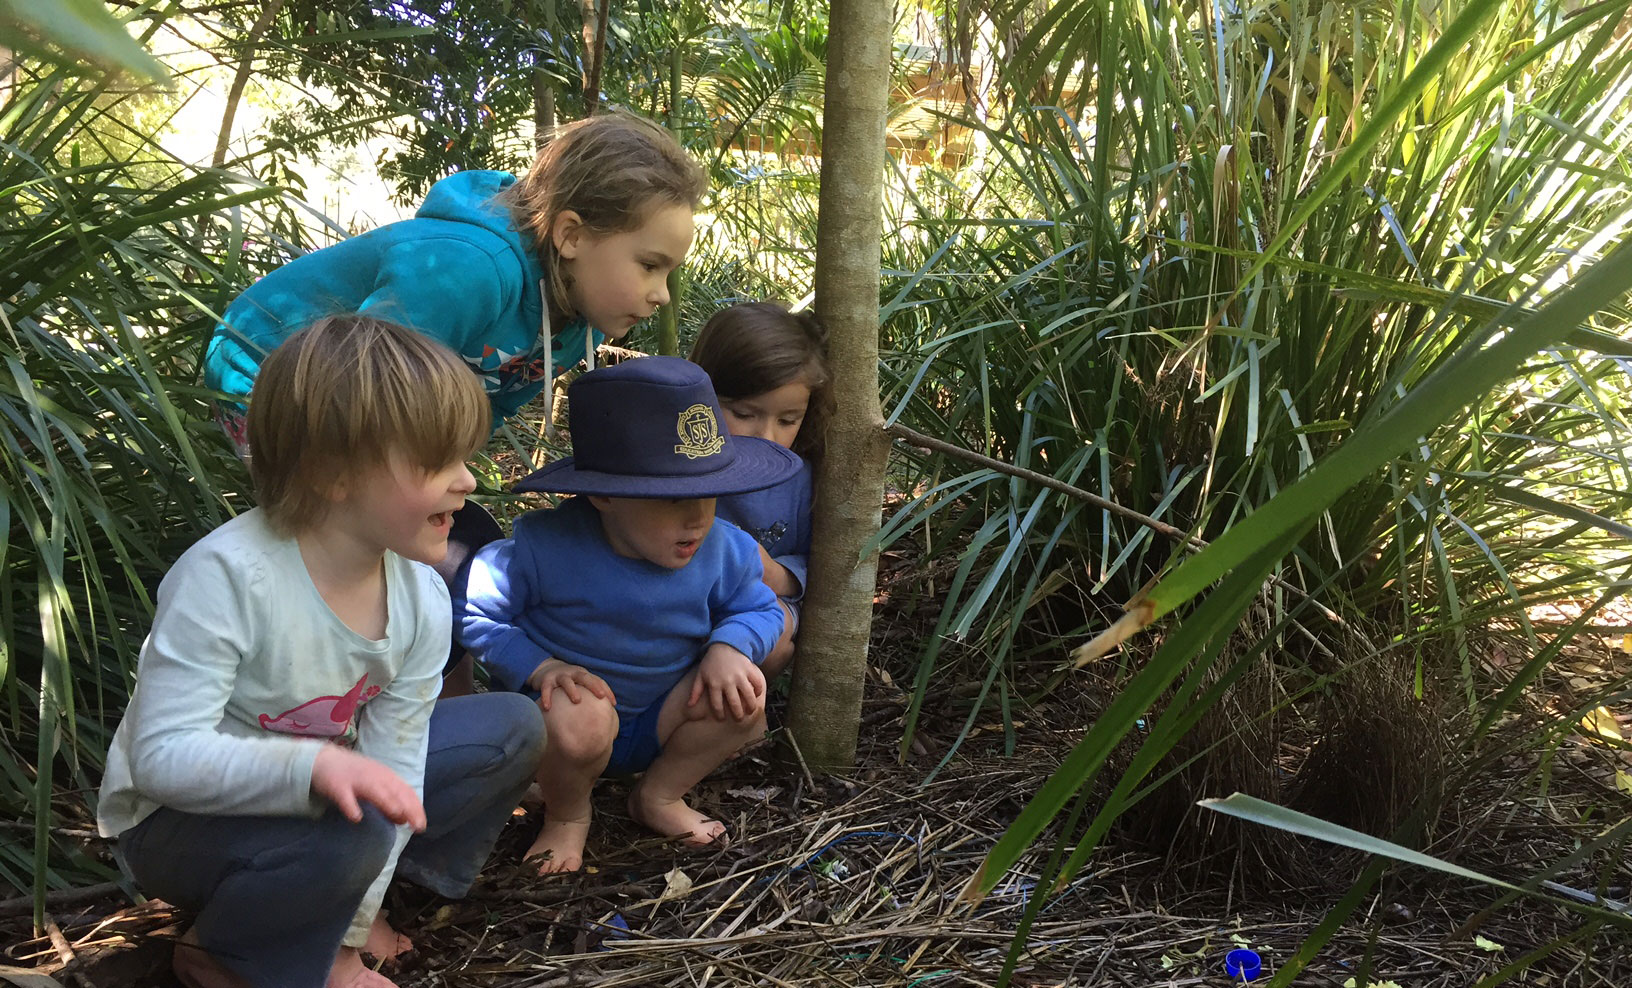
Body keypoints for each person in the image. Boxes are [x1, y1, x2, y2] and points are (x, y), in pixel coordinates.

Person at [98, 316, 547, 988]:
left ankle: (322, 909)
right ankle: (227, 951)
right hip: (178, 822)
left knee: (511, 728)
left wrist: (350, 929)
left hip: (327, 799)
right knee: (356, 821)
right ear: (333, 475)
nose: (467, 481)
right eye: (437, 461)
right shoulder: (228, 578)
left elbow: (395, 761)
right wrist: (311, 768)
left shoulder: (420, 594)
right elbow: (161, 761)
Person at [203, 112, 707, 687]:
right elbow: (357, 383)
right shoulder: (471, 272)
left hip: (384, 413)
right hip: (269, 372)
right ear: (571, 235)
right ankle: (308, 692)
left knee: (438, 556)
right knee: (344, 540)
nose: (661, 294)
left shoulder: (581, 319)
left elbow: (480, 408)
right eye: (650, 265)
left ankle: (446, 715)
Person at [457, 357, 801, 874]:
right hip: (566, 723)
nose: (698, 516)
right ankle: (568, 815)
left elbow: (758, 606)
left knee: (742, 698)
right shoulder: (545, 547)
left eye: (710, 493)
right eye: (670, 499)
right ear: (604, 495)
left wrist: (730, 648)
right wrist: (540, 667)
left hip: (664, 712)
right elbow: (476, 611)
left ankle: (658, 795)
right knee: (580, 716)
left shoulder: (726, 549)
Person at [688, 301, 830, 677]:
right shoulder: (678, 469)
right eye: (744, 414)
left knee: (774, 635)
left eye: (788, 419)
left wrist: (778, 575)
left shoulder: (805, 479)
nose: (766, 436)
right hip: (681, 603)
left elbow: (826, 561)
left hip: (764, 603)